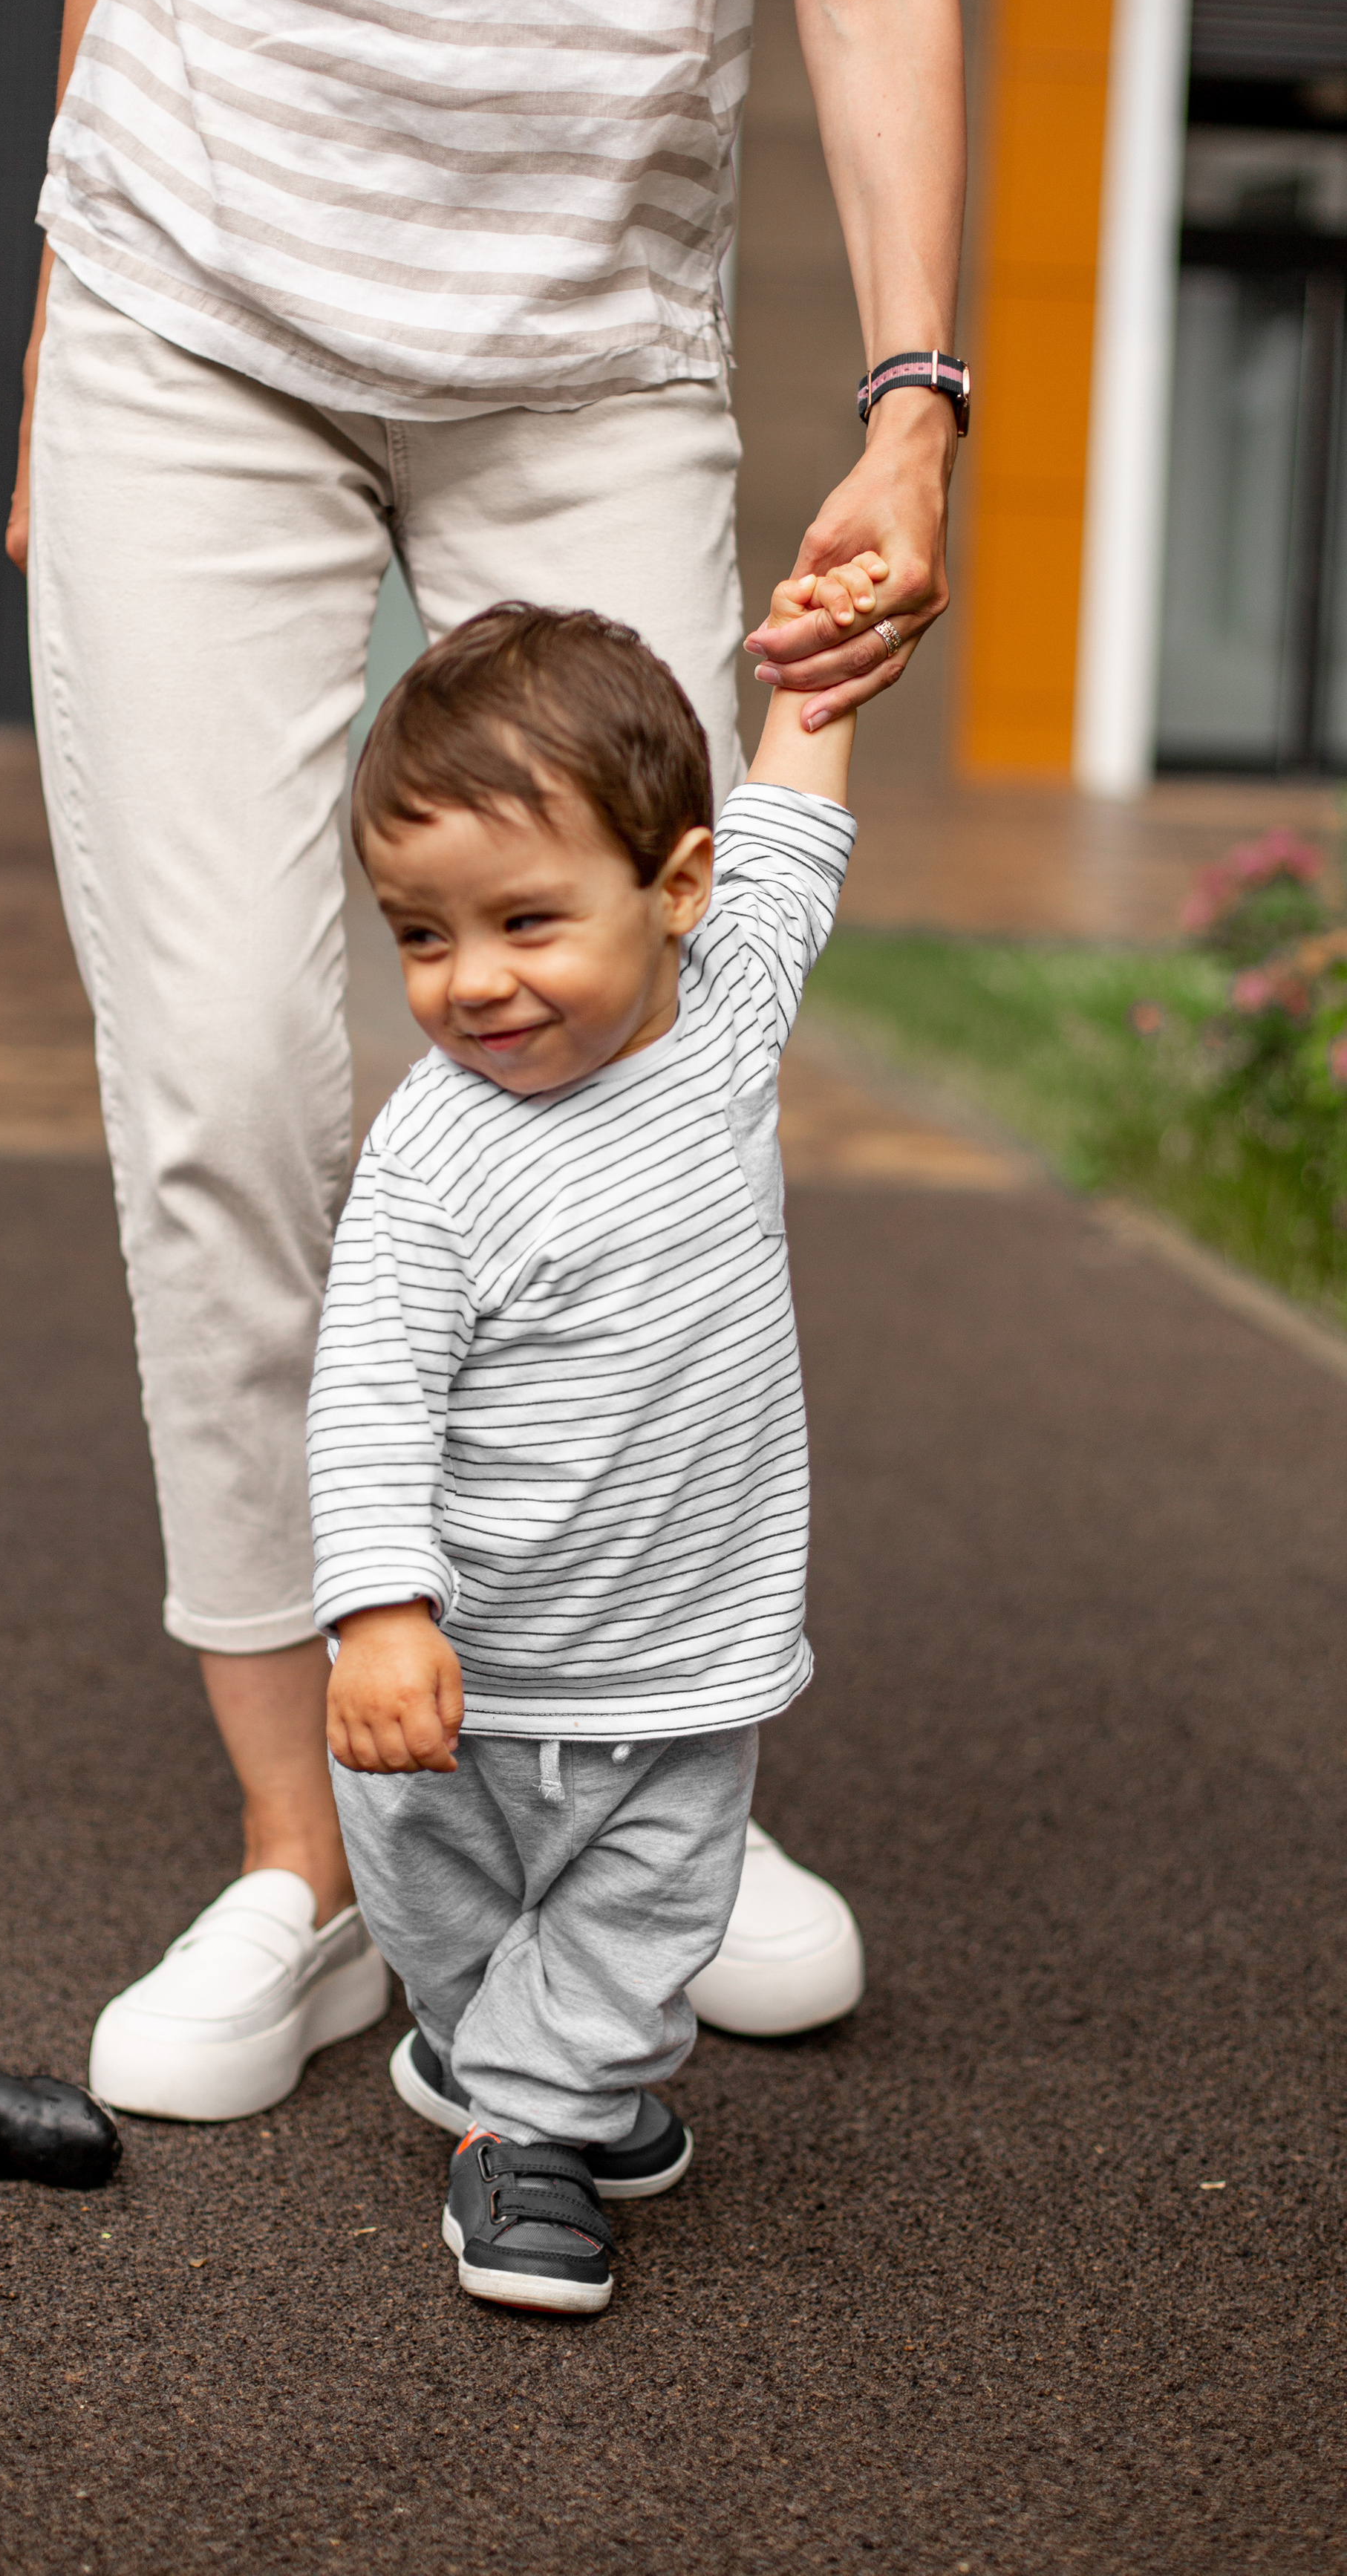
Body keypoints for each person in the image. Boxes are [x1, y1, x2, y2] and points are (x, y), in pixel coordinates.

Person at [7, 0, 965, 2119]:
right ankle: (314, 1858)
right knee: (225, 1080)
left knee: (656, 1055)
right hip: (190, 299)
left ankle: (633, 1766)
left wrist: (913, 402)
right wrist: (55, 327)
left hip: (584, 348)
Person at [313, 588, 866, 2312]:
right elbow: (367, 1392)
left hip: (675, 1656)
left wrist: (822, 667)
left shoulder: (725, 1019)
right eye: (418, 935)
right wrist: (379, 1612)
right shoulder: (433, 1160)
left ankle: (520, 2125)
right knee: (450, 1920)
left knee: (645, 1918)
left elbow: (789, 833)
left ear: (670, 894)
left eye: (526, 922)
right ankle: (517, 2076)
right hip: (460, 1672)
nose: (471, 983)